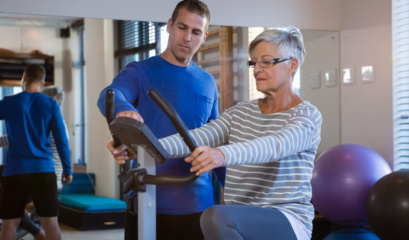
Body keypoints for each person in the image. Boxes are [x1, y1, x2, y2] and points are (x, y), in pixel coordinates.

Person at [113, 27, 322, 240]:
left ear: (292, 65)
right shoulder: (240, 112)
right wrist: (145, 147)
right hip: (239, 220)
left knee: (214, 216)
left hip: (286, 220)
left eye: (266, 61)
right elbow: (199, 136)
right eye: (254, 62)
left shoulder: (307, 116)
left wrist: (221, 154)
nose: (257, 69)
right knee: (216, 219)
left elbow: (274, 145)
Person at [98, 1, 224, 239]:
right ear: (169, 26)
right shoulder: (140, 71)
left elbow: (218, 139)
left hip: (198, 206)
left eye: (196, 32)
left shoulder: (207, 81)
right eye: (182, 27)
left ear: (204, 37)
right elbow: (110, 95)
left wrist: (239, 193)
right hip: (148, 200)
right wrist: (125, 110)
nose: (187, 37)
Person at [0, 64, 72, 240]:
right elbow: (62, 141)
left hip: (15, 172)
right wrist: (67, 170)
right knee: (51, 223)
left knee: (10, 223)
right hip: (43, 171)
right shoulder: (51, 104)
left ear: (23, 78)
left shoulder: (9, 102)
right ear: (42, 82)